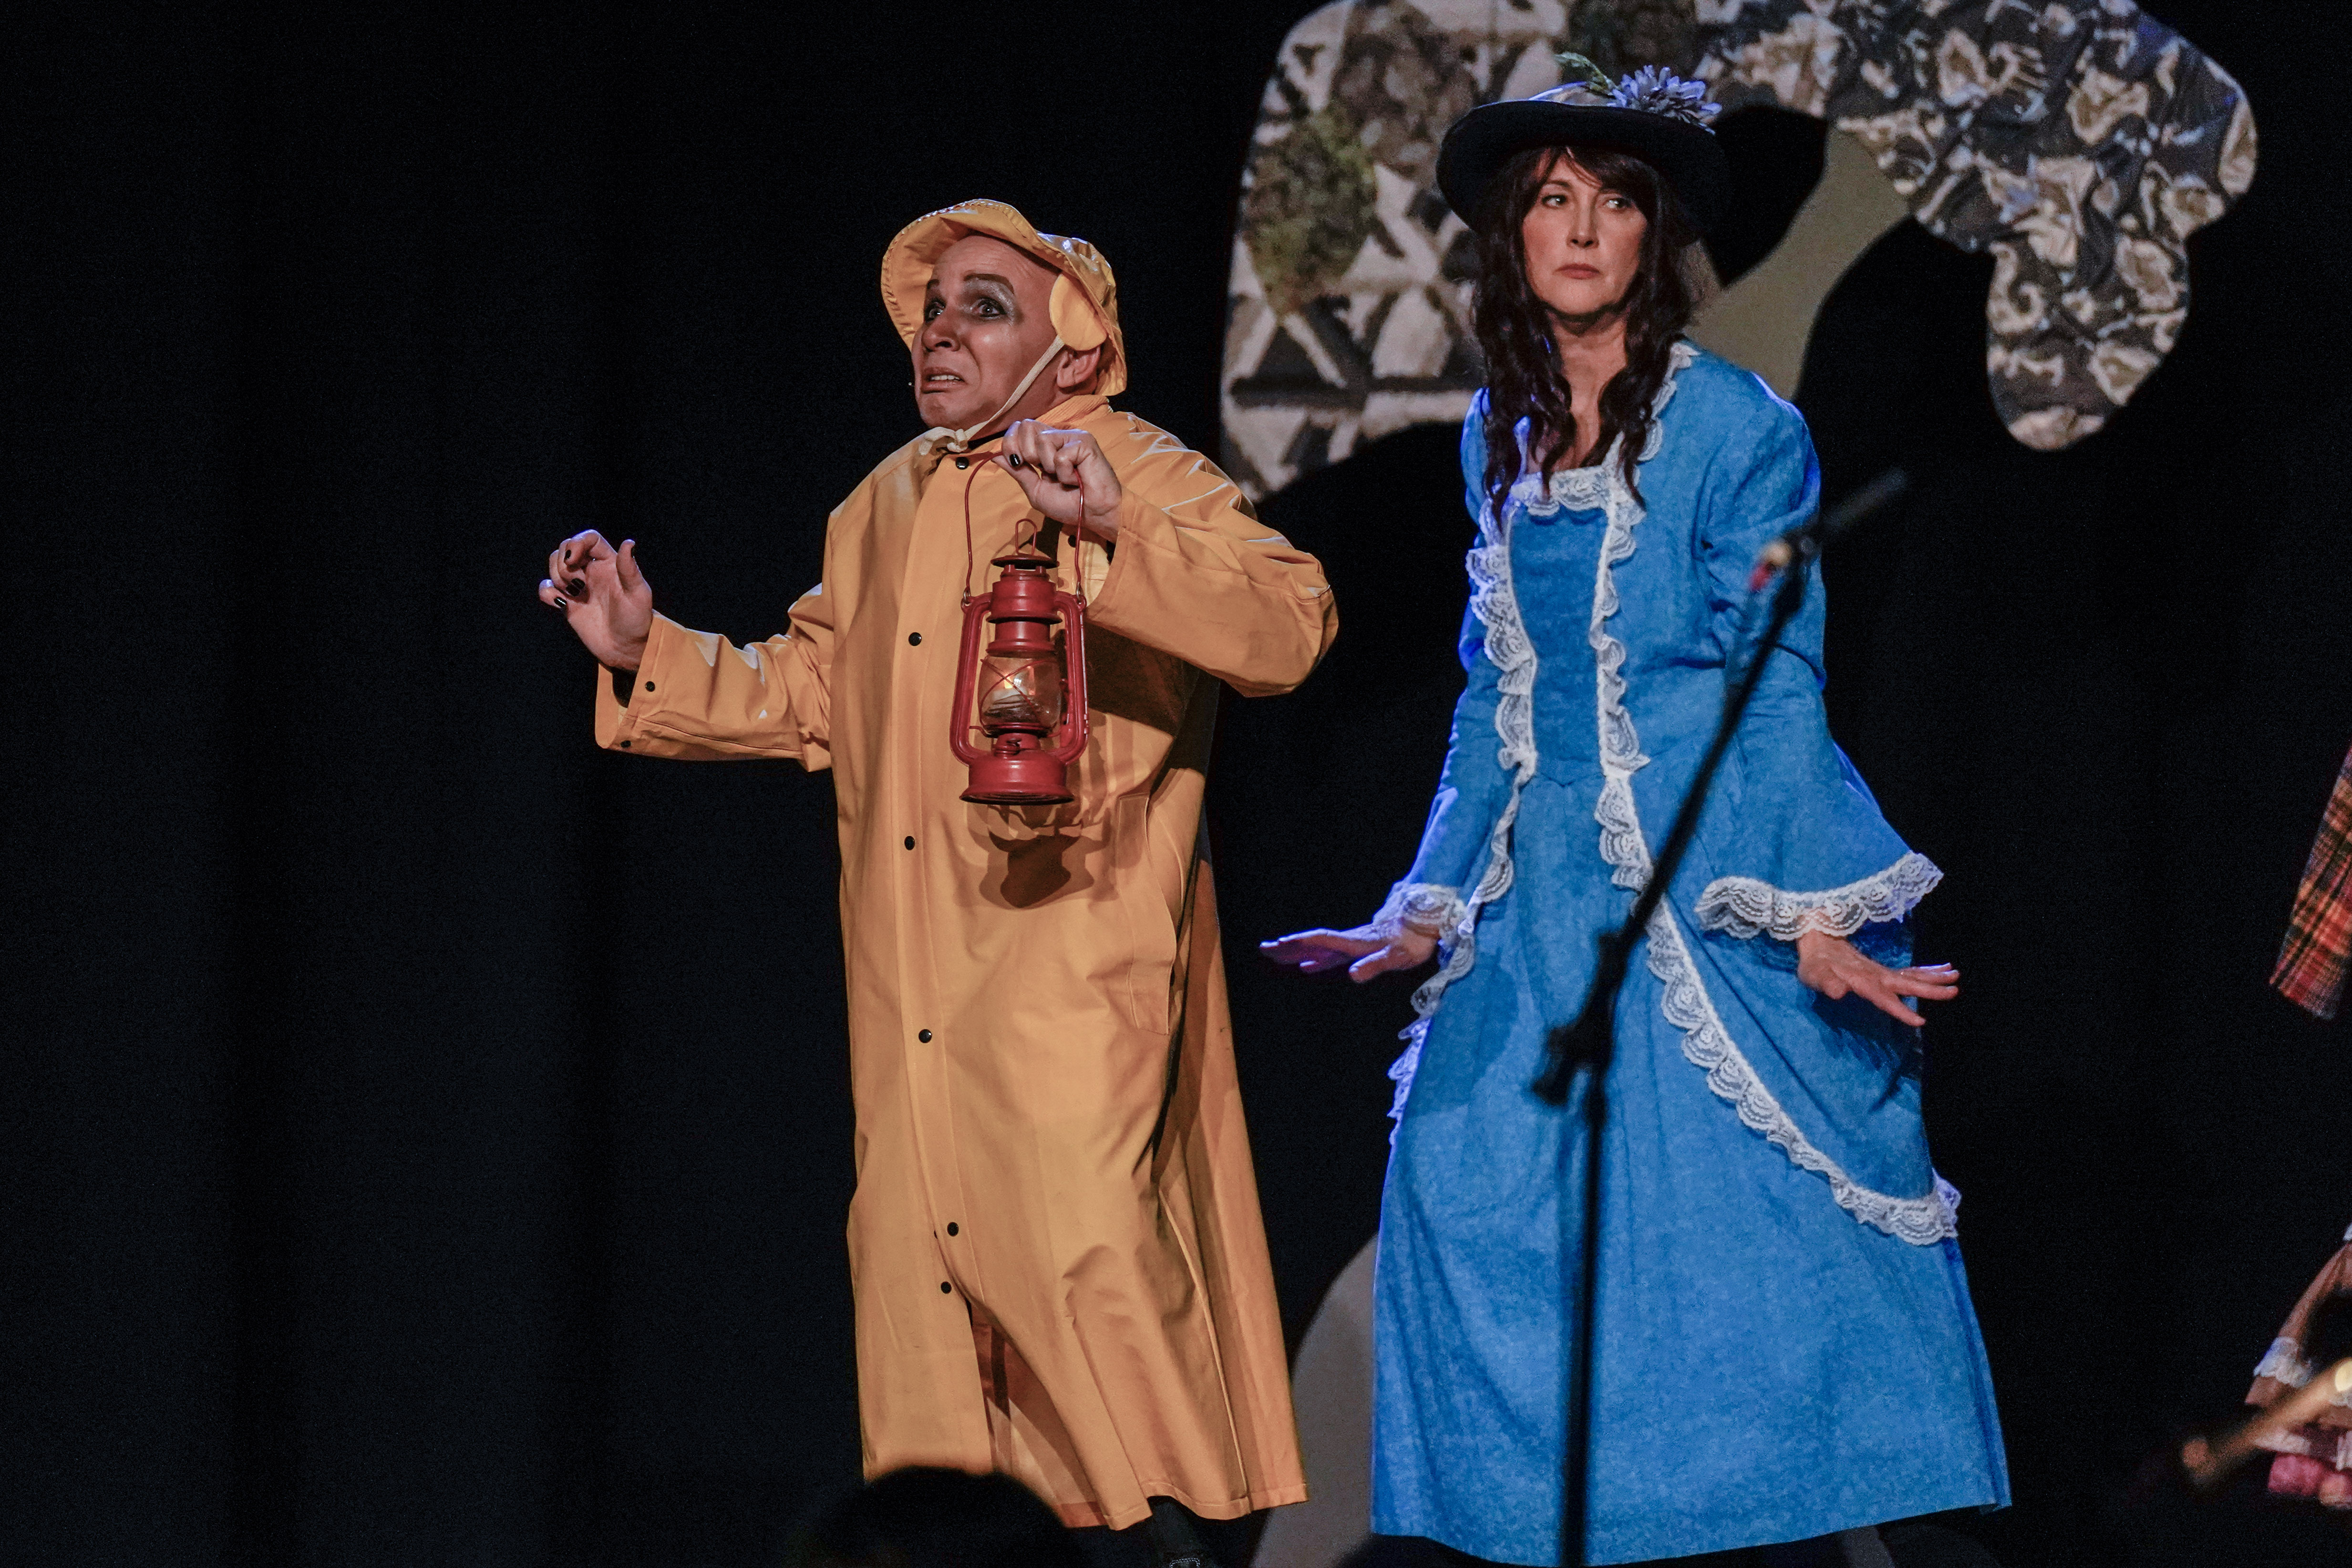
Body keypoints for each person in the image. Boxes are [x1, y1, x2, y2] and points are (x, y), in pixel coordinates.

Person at [1262, 62, 2008, 1566]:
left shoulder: (1735, 427)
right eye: (1553, 200)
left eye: (1614, 203)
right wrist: (1423, 903)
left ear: (1652, 236)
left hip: (1703, 876)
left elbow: (1775, 681)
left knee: (1717, 1252)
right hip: (1537, 907)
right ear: (1514, 234)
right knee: (1478, 1203)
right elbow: (1498, 690)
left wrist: (1806, 916)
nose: (1583, 229)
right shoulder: (1496, 430)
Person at [538, 199, 1331, 1559]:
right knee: (938, 1364)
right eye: (931, 308)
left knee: (1097, 1314)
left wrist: (1115, 530)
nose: (939, 332)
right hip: (912, 1016)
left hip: (1068, 988)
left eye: (982, 306)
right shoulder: (883, 504)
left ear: (1071, 349)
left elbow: (1289, 625)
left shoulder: (1139, 466)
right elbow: (814, 693)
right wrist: (646, 652)